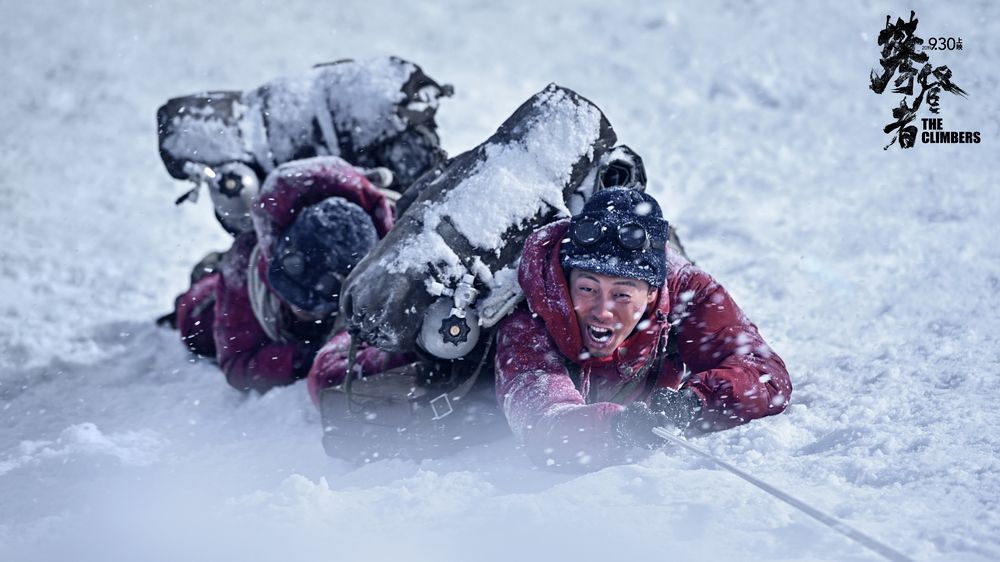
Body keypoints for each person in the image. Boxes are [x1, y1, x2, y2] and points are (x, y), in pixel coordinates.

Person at [494, 187, 792, 469]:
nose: (602, 311)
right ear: (567, 282)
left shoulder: (687, 292)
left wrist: (695, 402)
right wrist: (616, 428)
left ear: (652, 293)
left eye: (622, 294)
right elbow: (543, 426)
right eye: (587, 289)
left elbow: (767, 376)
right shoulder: (533, 314)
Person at [212, 157, 394, 393]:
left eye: (312, 306)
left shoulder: (392, 253)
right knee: (193, 323)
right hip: (226, 303)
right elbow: (236, 363)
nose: (300, 309)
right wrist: (301, 357)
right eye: (293, 298)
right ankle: (206, 271)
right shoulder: (243, 265)